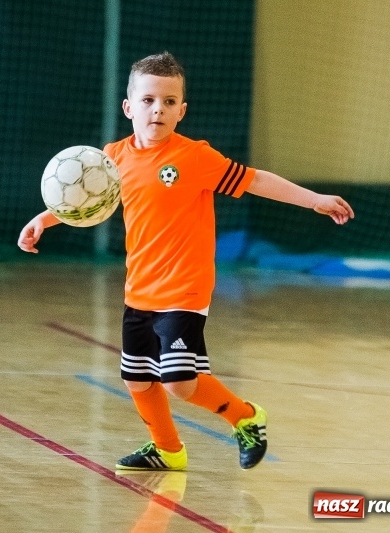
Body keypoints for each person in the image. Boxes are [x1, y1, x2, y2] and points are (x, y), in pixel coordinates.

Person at [18, 52, 354, 471]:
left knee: (178, 381)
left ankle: (245, 418)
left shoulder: (195, 157)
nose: (158, 109)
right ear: (128, 107)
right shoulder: (112, 158)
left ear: (182, 111)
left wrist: (314, 199)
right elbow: (85, 200)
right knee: (137, 379)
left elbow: (255, 180)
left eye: (169, 101)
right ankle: (168, 451)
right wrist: (45, 220)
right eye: (148, 100)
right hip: (140, 288)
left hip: (184, 288)